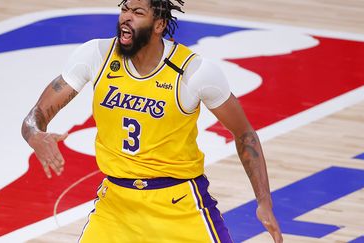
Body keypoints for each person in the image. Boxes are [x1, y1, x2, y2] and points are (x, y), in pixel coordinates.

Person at [21, 0, 283, 242]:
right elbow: (36, 115)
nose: (126, 18)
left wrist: (264, 202)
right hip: (116, 203)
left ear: (159, 25)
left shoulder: (193, 72)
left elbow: (245, 134)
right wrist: (35, 134)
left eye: (137, 13)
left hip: (179, 204)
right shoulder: (96, 55)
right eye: (124, 9)